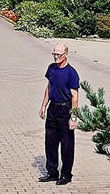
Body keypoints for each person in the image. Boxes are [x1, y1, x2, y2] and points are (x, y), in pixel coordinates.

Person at [38, 43, 79, 186]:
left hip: (65, 109)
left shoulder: (71, 73)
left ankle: (66, 175)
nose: (56, 57)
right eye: (54, 54)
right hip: (52, 109)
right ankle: (52, 172)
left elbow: (75, 97)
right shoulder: (51, 68)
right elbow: (49, 87)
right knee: (50, 142)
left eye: (58, 54)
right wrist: (43, 106)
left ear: (65, 54)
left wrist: (73, 117)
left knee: (67, 145)